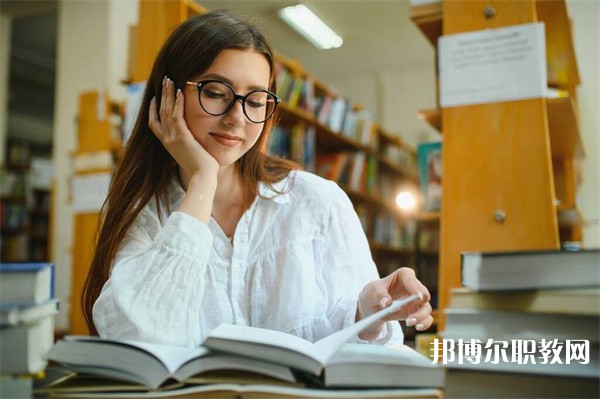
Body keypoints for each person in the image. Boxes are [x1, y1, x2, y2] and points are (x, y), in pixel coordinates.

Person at [82, 10, 432, 348]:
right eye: (216, 93)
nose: (238, 118)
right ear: (168, 95)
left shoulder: (318, 201)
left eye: (256, 100)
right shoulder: (145, 211)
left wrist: (365, 311)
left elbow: (365, 344)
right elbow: (137, 338)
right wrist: (204, 179)